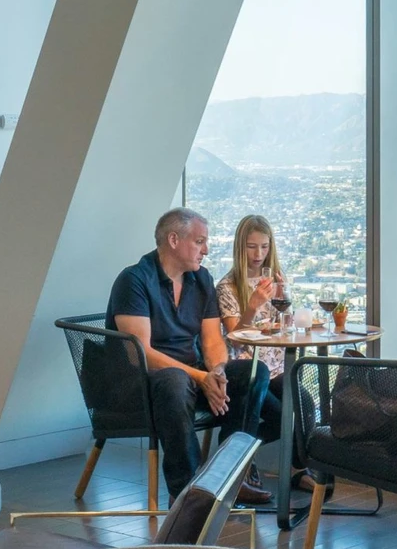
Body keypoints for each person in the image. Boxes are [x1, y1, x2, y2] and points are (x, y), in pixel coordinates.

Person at [107, 208, 272, 504]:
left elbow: (211, 341)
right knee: (174, 379)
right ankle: (189, 493)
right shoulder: (133, 280)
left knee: (253, 372)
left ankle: (230, 475)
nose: (206, 250)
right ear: (173, 240)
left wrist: (218, 371)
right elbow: (140, 353)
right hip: (143, 385)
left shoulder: (201, 279)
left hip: (191, 377)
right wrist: (201, 376)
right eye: (199, 242)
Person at [217, 214, 305, 454]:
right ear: (240, 247)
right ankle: (237, 460)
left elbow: (283, 325)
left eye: (264, 247)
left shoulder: (273, 280)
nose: (258, 254)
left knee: (304, 405)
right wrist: (252, 306)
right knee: (281, 416)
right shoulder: (228, 287)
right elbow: (235, 336)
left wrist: (285, 299)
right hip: (249, 367)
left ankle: (300, 470)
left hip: (275, 365)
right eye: (252, 247)